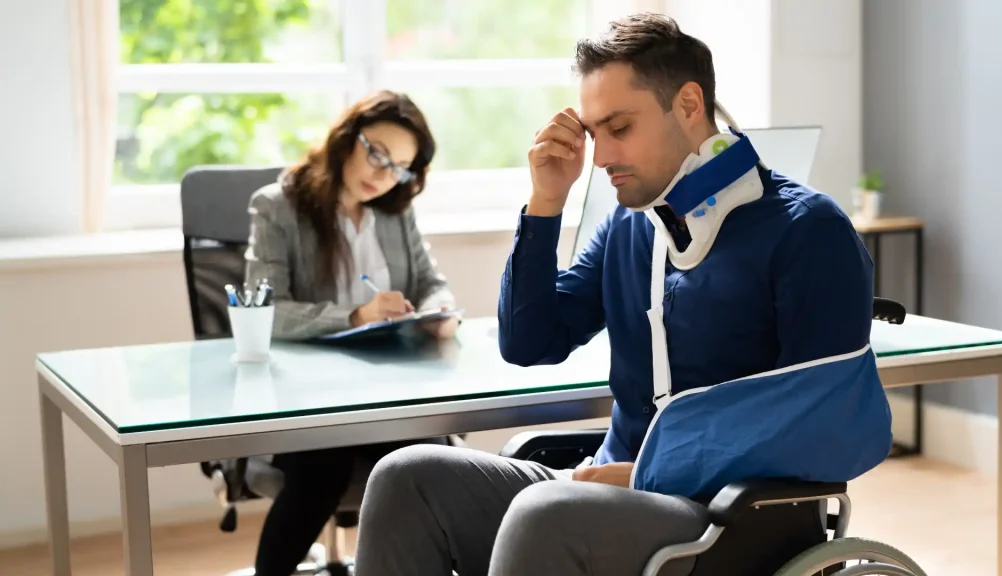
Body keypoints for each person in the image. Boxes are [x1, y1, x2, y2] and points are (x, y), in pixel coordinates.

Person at [352, 13, 893, 576]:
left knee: (546, 511)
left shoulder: (808, 229)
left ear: (687, 104)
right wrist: (545, 204)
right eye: (594, 133)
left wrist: (646, 474)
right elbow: (531, 341)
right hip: (599, 492)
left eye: (620, 127)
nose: (603, 156)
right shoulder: (630, 223)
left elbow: (822, 427)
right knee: (406, 476)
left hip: (731, 519)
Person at [244, 89, 460, 576]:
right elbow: (266, 308)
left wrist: (438, 309)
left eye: (399, 167)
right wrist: (356, 316)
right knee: (323, 466)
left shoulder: (395, 210)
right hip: (311, 397)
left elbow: (431, 282)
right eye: (377, 154)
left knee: (433, 465)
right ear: (347, 138)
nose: (384, 176)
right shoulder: (277, 207)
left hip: (390, 388)